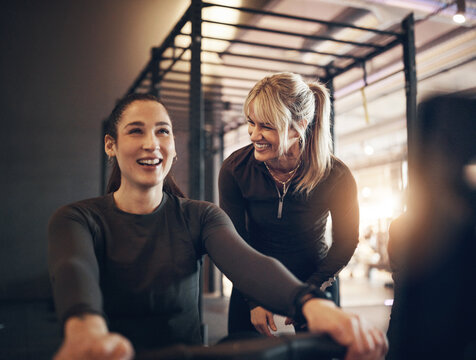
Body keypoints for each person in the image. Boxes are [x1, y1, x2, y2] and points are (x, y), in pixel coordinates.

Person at [48, 93, 387, 360]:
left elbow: (247, 262)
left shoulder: (201, 216)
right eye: (136, 130)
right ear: (111, 144)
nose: (151, 143)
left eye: (162, 131)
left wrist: (314, 303)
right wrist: (85, 330)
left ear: (173, 149)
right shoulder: (76, 219)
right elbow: (74, 271)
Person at [219, 72, 359, 336]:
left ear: (298, 127)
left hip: (315, 275)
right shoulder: (235, 169)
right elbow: (233, 240)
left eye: (267, 126)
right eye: (251, 123)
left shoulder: (336, 175)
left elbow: (346, 241)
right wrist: (254, 298)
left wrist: (313, 292)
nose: (254, 135)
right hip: (253, 278)